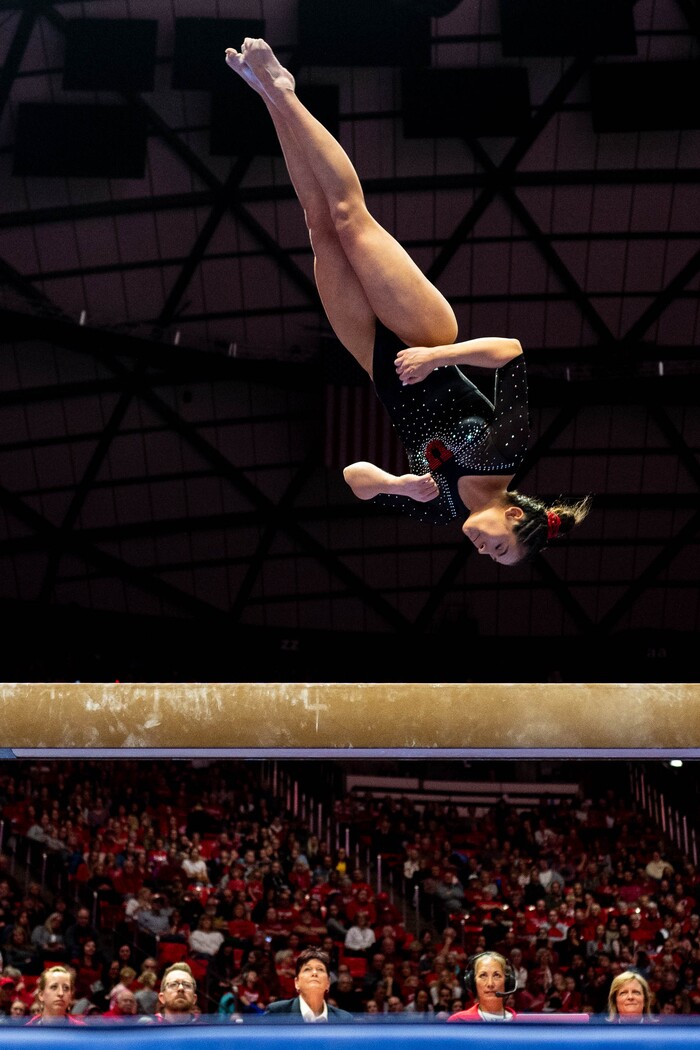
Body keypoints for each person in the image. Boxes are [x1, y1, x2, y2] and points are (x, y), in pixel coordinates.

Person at [224, 38, 592, 565]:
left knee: (320, 229)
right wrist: (439, 357)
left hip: (376, 364)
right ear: (514, 516)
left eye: (490, 557)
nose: (484, 550)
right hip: (425, 335)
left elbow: (354, 479)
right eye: (499, 547)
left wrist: (396, 484)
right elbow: (510, 352)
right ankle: (285, 92)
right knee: (350, 218)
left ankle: (266, 95)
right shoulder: (507, 452)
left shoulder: (441, 509)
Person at [264, 947, 354, 1022]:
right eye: (307, 969)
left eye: (320, 969)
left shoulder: (345, 1019)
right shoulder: (276, 1013)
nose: (314, 973)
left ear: (328, 983)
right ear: (297, 983)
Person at [447, 952, 517, 1022]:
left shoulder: (521, 1023)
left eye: (496, 975)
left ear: (507, 982)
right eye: (483, 975)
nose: (490, 984)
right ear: (473, 983)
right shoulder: (458, 1021)